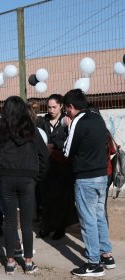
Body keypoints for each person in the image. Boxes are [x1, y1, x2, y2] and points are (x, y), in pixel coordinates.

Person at [0, 96, 49, 275]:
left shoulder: (0, 132)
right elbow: (44, 156)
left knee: (10, 221)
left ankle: (10, 262)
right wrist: (37, 177)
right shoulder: (32, 130)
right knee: (27, 222)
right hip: (28, 180)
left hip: (7, 178)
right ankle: (28, 262)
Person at [63, 89, 115, 277]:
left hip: (86, 178)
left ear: (70, 106)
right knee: (99, 216)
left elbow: (67, 150)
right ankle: (106, 255)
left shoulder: (78, 121)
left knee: (88, 220)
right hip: (102, 175)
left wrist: (68, 129)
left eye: (66, 109)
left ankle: (94, 263)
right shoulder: (97, 118)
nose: (66, 113)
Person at [36, 94, 77, 240]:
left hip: (62, 165)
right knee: (45, 198)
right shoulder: (42, 121)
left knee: (61, 199)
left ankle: (60, 228)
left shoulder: (67, 121)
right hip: (46, 165)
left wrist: (54, 145)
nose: (51, 110)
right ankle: (46, 227)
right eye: (49, 107)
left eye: (54, 107)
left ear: (61, 106)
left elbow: (70, 141)